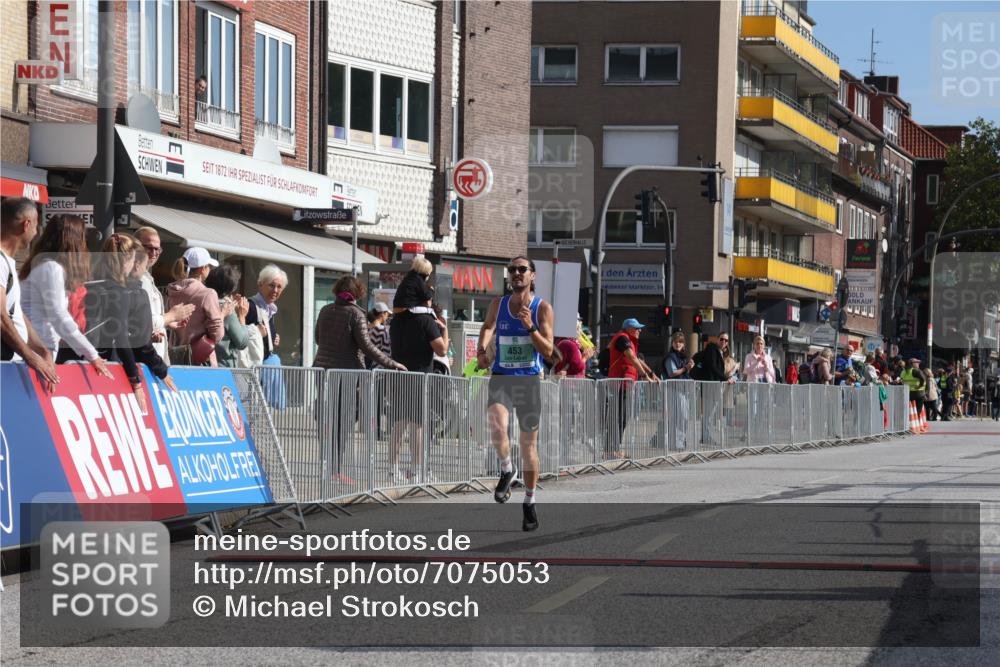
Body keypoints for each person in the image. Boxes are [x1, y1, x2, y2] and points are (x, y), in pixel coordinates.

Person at [476, 256, 554, 532]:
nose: (516, 273)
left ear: (532, 275)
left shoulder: (541, 308)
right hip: (501, 377)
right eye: (512, 270)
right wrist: (481, 351)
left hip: (528, 381)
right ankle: (507, 469)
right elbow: (487, 327)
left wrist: (530, 326)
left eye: (522, 269)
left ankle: (530, 501)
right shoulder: (498, 304)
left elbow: (547, 351)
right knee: (497, 429)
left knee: (528, 446)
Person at [314, 276, 405, 484]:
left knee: (327, 422)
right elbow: (367, 346)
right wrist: (392, 363)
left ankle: (328, 468)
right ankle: (335, 471)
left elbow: (319, 338)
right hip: (346, 374)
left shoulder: (325, 310)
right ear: (357, 293)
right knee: (344, 423)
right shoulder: (356, 314)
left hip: (322, 371)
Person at [86, 234, 174, 412]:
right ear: (128, 261)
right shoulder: (125, 293)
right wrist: (137, 380)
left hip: (84, 364)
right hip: (112, 369)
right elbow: (123, 338)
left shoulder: (91, 286)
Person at [19, 214, 111, 378]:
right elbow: (58, 314)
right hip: (37, 349)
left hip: (37, 347)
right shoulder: (51, 268)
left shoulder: (45, 265)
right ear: (74, 240)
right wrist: (92, 355)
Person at [0, 198, 59, 390]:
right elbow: (1, 316)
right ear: (27, 224)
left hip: (11, 365)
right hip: (5, 366)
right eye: (36, 226)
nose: (36, 234)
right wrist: (31, 358)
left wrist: (42, 351)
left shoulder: (7, 262)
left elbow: (14, 311)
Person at [388, 299, 449, 483]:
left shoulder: (398, 320)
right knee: (418, 426)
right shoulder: (426, 320)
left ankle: (393, 469)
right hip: (420, 377)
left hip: (400, 375)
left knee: (399, 424)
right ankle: (416, 470)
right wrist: (444, 330)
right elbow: (442, 350)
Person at [133, 227, 194, 364]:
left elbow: (148, 320)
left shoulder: (147, 278)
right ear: (135, 246)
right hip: (143, 362)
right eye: (149, 247)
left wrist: (167, 322)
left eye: (157, 249)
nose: (154, 253)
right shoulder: (135, 280)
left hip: (153, 360)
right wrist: (170, 316)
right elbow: (139, 322)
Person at [606, 317, 659, 458]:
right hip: (619, 383)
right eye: (636, 328)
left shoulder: (628, 340)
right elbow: (632, 358)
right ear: (629, 328)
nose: (639, 330)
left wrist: (651, 373)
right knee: (616, 418)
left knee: (622, 418)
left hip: (626, 383)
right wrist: (644, 375)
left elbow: (638, 359)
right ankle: (610, 450)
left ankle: (614, 449)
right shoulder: (623, 339)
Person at [167, 247, 223, 367]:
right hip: (201, 359)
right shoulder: (207, 293)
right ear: (202, 269)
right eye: (208, 266)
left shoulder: (172, 292)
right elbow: (218, 332)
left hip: (175, 357)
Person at [204, 264, 253, 368]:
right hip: (223, 367)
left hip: (203, 364)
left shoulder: (204, 302)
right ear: (231, 288)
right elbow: (242, 342)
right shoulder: (227, 310)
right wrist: (242, 316)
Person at [366, 302, 392, 369]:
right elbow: (386, 353)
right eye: (387, 314)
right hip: (378, 369)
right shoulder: (382, 330)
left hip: (365, 367)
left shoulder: (365, 328)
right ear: (382, 314)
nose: (387, 317)